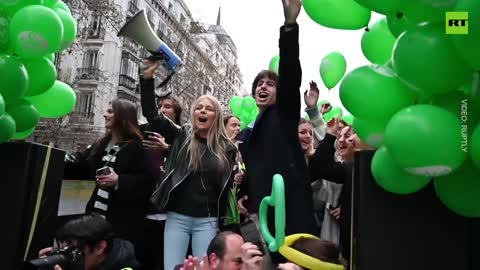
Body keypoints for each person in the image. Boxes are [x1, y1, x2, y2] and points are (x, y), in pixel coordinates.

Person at [236, 0, 316, 261]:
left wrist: (290, 25)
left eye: (270, 83)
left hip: (293, 210)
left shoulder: (284, 115)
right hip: (263, 215)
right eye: (259, 83)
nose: (263, 87)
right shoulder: (246, 135)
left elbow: (291, 72)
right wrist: (244, 196)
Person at [141, 71, 243, 270]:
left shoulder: (228, 148)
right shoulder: (181, 136)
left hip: (207, 220)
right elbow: (152, 114)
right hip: (177, 217)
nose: (202, 111)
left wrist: (235, 179)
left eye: (209, 109)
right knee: (172, 267)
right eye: (198, 108)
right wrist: (147, 79)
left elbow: (224, 184)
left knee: (205, 268)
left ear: (216, 116)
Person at [63, 99, 153, 263]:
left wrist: (119, 180)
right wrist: (60, 158)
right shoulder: (101, 143)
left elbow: (147, 182)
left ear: (122, 116)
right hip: (95, 218)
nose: (105, 114)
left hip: (122, 222)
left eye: (110, 111)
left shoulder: (137, 148)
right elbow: (81, 161)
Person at [140, 64, 185, 270]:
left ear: (177, 114)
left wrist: (167, 149)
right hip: (145, 211)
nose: (162, 110)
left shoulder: (183, 135)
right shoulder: (145, 131)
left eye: (168, 107)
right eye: (161, 107)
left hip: (173, 215)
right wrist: (147, 77)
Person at [37, 214, 139, 270]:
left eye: (75, 249)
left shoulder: (126, 267)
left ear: (99, 248)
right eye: (66, 248)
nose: (70, 254)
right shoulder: (85, 259)